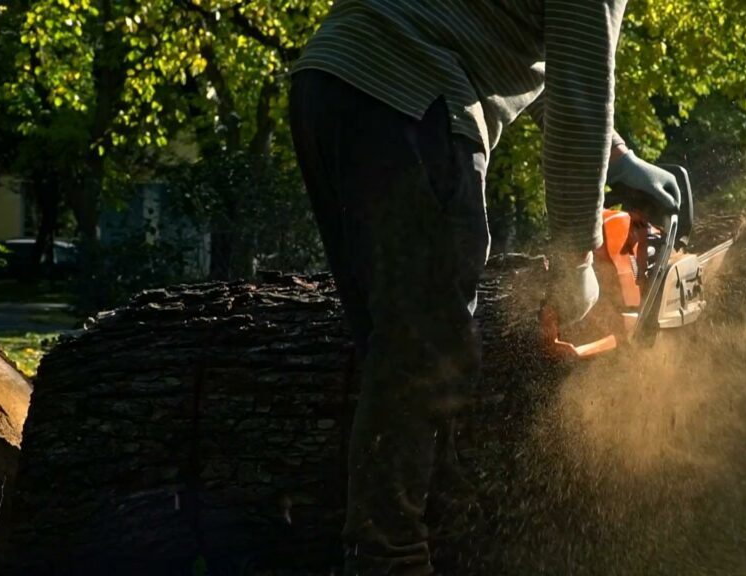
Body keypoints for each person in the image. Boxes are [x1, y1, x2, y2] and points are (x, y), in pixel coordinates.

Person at [288, 1, 682, 574]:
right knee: (430, 348)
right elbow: (580, 98)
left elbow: (513, 36)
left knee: (394, 339)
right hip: (410, 97)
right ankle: (389, 558)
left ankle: (444, 520)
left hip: (331, 83)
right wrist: (574, 260)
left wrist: (618, 158)